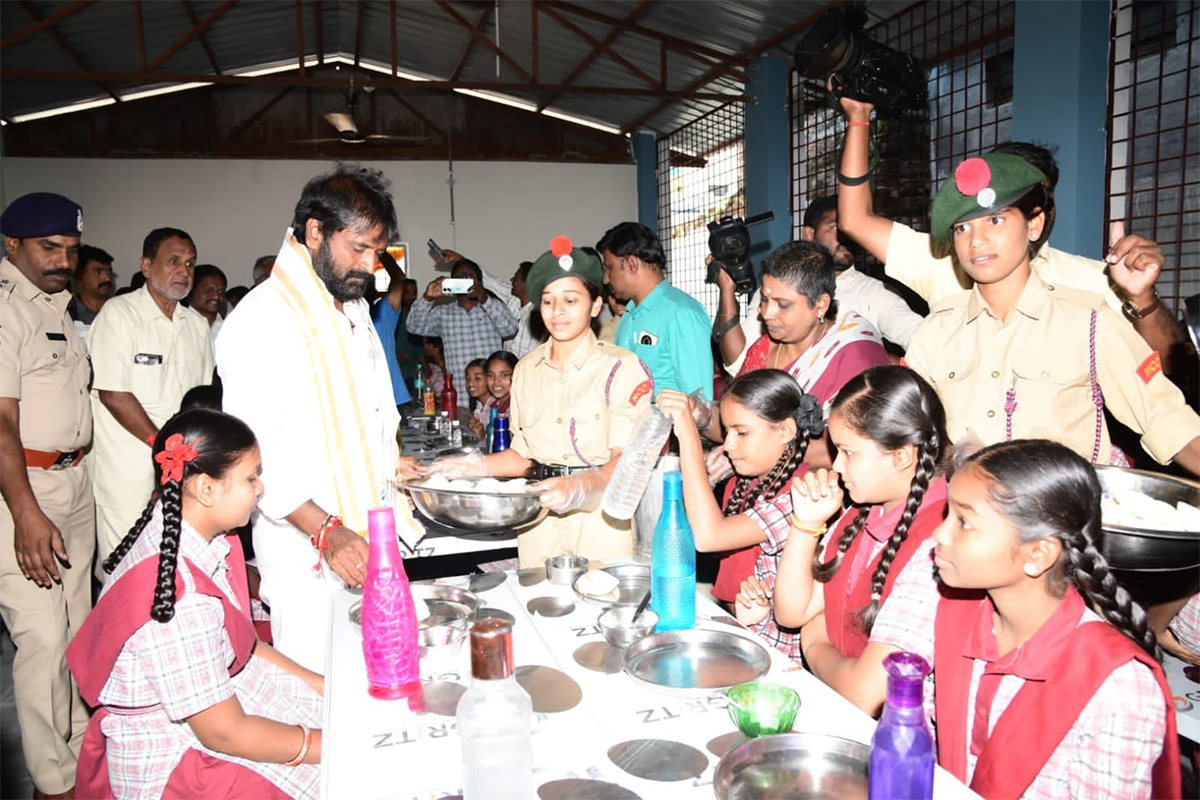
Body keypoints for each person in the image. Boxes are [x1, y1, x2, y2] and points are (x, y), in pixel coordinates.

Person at [864, 440, 1179, 798]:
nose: (939, 533)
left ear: (1038, 554)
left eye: (964, 522)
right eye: (947, 514)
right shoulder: (957, 614)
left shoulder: (1116, 687)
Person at [67, 409, 324, 799]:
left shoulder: (189, 539)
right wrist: (323, 744)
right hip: (180, 757)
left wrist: (328, 689)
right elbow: (224, 732)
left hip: (217, 715)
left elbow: (246, 646)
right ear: (206, 489)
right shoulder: (178, 597)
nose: (260, 487)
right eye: (251, 476)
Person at [217, 164, 414, 672]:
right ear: (314, 232)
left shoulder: (349, 307)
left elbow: (372, 413)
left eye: (379, 252)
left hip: (367, 531)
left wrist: (396, 465)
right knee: (319, 687)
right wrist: (326, 532)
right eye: (360, 248)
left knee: (378, 668)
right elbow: (254, 457)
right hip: (307, 544)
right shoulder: (260, 321)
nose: (372, 266)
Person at [835, 95, 1186, 371]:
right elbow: (855, 220)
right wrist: (859, 116)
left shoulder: (1092, 281)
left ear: (1042, 214)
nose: (980, 235)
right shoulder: (947, 259)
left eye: (1028, 199)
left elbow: (1168, 368)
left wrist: (1143, 298)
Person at [905, 152, 1200, 475]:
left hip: (1059, 518)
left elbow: (1166, 419)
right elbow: (911, 438)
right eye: (962, 228)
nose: (977, 241)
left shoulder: (1087, 323)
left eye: (995, 220)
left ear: (1034, 225)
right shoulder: (936, 332)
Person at [422, 237, 649, 567]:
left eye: (571, 300)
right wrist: (472, 466)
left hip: (601, 520)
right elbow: (522, 457)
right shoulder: (526, 369)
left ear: (595, 305)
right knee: (538, 607)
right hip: (538, 517)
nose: (557, 312)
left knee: (604, 606)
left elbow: (628, 462)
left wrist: (580, 485)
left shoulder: (620, 368)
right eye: (547, 301)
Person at [708, 240, 891, 605]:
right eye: (764, 300)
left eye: (783, 305)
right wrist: (708, 424)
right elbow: (741, 419)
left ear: (820, 304)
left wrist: (747, 452)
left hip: (805, 511)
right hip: (750, 498)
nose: (767, 314)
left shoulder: (853, 352)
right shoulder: (765, 346)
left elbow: (848, 448)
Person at [762, 367, 947, 680]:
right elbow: (792, 613)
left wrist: (816, 641)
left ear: (902, 456)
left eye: (848, 452)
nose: (836, 465)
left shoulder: (939, 542)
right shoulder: (860, 512)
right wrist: (806, 524)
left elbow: (863, 692)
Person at [0, 192, 94, 800]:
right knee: (41, 637)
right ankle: (52, 782)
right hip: (24, 494)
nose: (64, 259)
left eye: (71, 248)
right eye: (49, 248)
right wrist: (26, 513)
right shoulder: (7, 311)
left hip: (75, 484)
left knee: (78, 627)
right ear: (12, 246)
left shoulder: (57, 306)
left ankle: (84, 751)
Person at [656, 370, 824, 660]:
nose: (728, 445)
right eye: (727, 432)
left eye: (742, 432)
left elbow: (709, 537)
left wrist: (688, 437)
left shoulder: (799, 496)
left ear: (785, 430)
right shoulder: (745, 482)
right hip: (745, 638)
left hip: (779, 656)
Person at [89, 227, 213, 567]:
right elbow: (114, 394)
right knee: (126, 569)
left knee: (175, 566)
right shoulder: (119, 315)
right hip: (128, 474)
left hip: (182, 470)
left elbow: (199, 402)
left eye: (190, 264)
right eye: (173, 261)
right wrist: (163, 447)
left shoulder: (196, 325)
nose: (184, 271)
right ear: (146, 266)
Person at [718, 198, 923, 372]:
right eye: (836, 227)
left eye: (850, 229)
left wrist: (864, 356)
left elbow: (924, 342)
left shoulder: (875, 293)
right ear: (809, 234)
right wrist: (727, 290)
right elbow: (738, 364)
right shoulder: (777, 290)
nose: (846, 236)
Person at [599, 221, 714, 399]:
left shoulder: (681, 313)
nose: (606, 279)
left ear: (631, 264)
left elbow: (701, 402)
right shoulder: (629, 316)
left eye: (609, 268)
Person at [406, 256, 519, 386]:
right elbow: (414, 327)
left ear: (480, 282)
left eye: (470, 275)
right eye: (460, 276)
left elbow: (510, 329)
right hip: (460, 392)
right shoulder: (443, 313)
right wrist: (427, 298)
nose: (465, 278)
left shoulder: (493, 306)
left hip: (492, 391)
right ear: (453, 283)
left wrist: (483, 297)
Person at [369, 248, 413, 408]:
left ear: (375, 290)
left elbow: (398, 278)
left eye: (368, 284)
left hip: (391, 399)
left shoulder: (383, 312)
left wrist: (379, 251)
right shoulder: (339, 315)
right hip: (359, 402)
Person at [67, 243, 115, 343]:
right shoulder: (66, 313)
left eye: (109, 272)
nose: (107, 278)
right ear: (79, 276)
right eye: (98, 272)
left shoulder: (119, 310)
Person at [186, 263, 228, 347]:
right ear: (191, 291)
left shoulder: (230, 328)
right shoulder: (179, 326)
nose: (216, 296)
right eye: (208, 291)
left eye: (220, 292)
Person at [395, 278, 425, 390]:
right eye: (407, 292)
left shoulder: (416, 318)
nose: (411, 297)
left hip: (412, 373)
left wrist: (428, 371)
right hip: (396, 372)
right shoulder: (394, 319)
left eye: (414, 293)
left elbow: (419, 350)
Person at [485, 350, 517, 417]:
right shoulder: (490, 402)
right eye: (490, 375)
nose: (496, 381)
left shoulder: (517, 406)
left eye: (504, 375)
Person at [464, 358, 489, 438]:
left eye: (477, 378)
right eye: (468, 378)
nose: (470, 384)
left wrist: (483, 436)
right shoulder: (480, 405)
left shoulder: (497, 409)